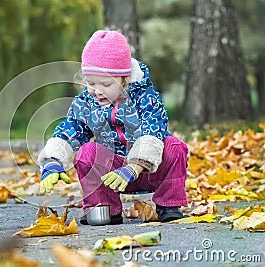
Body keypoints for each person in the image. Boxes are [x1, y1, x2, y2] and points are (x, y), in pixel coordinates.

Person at [37, 30, 188, 224]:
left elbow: (153, 129)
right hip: (111, 173)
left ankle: (169, 205)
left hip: (149, 168)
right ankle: (103, 207)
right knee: (87, 152)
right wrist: (52, 160)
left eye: (106, 84)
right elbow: (72, 128)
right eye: (91, 83)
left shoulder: (146, 98)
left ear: (124, 79)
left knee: (174, 147)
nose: (97, 91)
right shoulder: (86, 103)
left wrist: (135, 166)